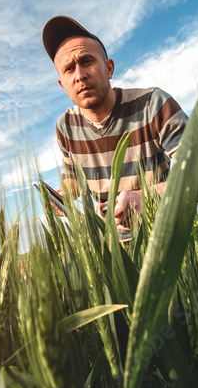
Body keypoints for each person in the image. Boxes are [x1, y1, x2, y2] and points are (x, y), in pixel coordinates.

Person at [43, 15, 189, 230]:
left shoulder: (153, 104)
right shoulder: (65, 126)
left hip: (167, 240)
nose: (80, 75)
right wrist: (62, 195)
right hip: (112, 251)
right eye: (69, 69)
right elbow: (73, 177)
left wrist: (147, 198)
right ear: (62, 85)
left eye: (87, 61)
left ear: (109, 68)